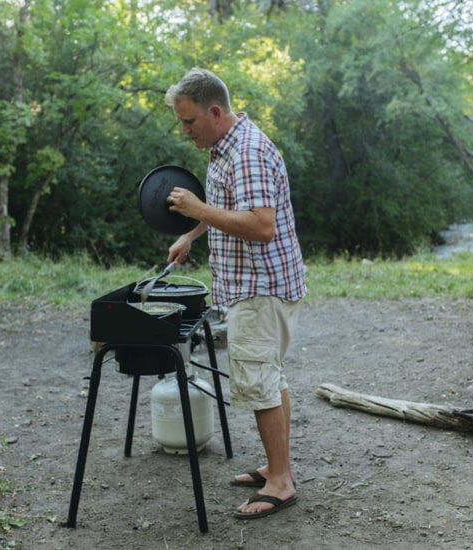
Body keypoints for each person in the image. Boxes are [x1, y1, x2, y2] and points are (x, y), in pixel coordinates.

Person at [163, 68, 307, 520]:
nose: (184, 131)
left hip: (260, 289)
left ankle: (281, 483)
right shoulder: (224, 148)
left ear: (215, 111)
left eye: (188, 122)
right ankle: (276, 465)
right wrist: (193, 232)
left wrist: (197, 207)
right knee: (271, 378)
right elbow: (230, 207)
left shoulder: (246, 151)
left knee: (260, 383)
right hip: (255, 287)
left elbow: (261, 225)